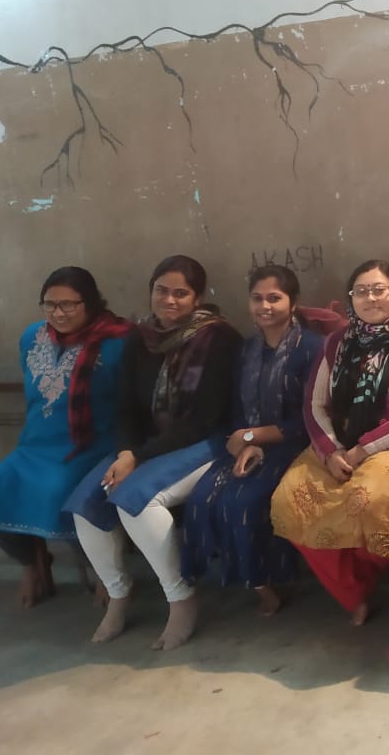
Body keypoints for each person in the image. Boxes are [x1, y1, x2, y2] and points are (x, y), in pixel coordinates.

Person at [65, 255, 240, 649]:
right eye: (162, 290)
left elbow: (205, 419)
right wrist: (126, 451)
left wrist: (137, 457)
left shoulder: (218, 339)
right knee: (85, 503)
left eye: (181, 293)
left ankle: (181, 597)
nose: (169, 300)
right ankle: (118, 593)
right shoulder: (140, 338)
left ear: (197, 298)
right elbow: (126, 407)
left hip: (204, 441)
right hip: (145, 444)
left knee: (136, 502)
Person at [271, 260, 389, 624]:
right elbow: (314, 403)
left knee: (370, 501)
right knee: (290, 499)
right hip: (339, 441)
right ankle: (352, 590)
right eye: (361, 291)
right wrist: (329, 450)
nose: (370, 298)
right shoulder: (338, 343)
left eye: (379, 289)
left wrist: (365, 448)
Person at [180, 265, 323, 614]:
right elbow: (237, 407)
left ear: (293, 302)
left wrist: (253, 435)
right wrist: (247, 441)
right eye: (257, 298)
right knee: (202, 499)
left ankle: (268, 582)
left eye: (274, 298)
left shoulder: (312, 349)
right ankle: (239, 580)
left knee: (242, 503)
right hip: (250, 443)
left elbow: (313, 416)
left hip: (298, 445)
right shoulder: (246, 350)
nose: (265, 306)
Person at [0, 267, 131, 608]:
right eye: (50, 304)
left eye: (69, 304)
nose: (58, 313)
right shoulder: (32, 337)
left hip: (91, 447)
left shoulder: (118, 342)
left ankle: (105, 571)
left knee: (62, 489)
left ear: (91, 303)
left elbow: (131, 404)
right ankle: (32, 563)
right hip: (34, 447)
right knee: (1, 485)